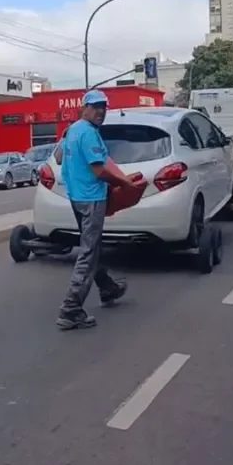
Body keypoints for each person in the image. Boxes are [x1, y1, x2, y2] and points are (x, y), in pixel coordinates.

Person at [56, 89, 139, 331]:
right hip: (91, 199)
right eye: (96, 107)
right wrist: (125, 184)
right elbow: (99, 171)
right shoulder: (89, 134)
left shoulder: (72, 130)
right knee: (88, 253)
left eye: (104, 107)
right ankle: (70, 309)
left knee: (92, 247)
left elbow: (60, 157)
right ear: (85, 107)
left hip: (76, 197)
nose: (101, 111)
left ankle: (107, 287)